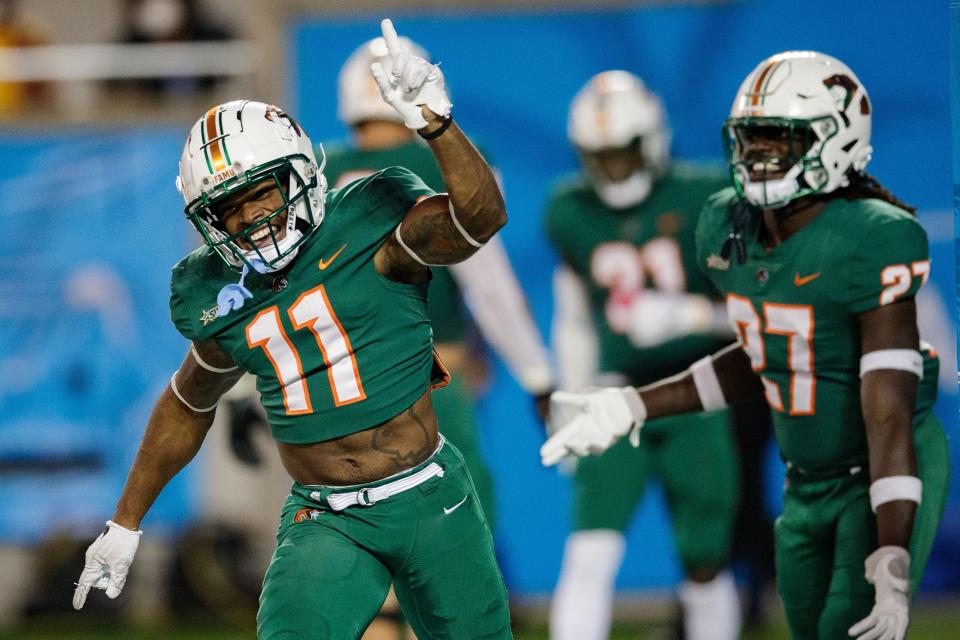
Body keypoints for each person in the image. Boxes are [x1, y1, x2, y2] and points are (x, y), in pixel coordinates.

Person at [72, 19, 513, 640]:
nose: (252, 218)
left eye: (262, 193)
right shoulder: (220, 292)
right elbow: (185, 401)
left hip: (427, 497)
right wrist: (125, 521)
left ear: (300, 172)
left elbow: (480, 220)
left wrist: (435, 126)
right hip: (326, 517)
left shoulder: (370, 221)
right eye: (230, 208)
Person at [541, 51, 950, 640]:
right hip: (767, 452)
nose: (758, 155)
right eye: (751, 139)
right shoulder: (721, 218)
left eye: (778, 141)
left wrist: (893, 554)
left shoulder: (864, 236)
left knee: (805, 601)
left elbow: (877, 401)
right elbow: (763, 348)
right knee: (801, 618)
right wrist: (614, 401)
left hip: (851, 447)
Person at [324, 33, 554, 529]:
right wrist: (538, 375)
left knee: (360, 526)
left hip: (334, 388)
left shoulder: (317, 174)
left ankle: (384, 608)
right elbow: (489, 286)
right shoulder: (436, 166)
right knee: (459, 521)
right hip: (428, 376)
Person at [545, 70, 741, 640]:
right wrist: (572, 394)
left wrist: (694, 315)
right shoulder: (571, 209)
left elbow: (764, 314)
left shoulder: (705, 195)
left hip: (697, 389)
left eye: (622, 152)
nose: (611, 167)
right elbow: (576, 317)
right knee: (589, 550)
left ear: (651, 141)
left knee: (706, 559)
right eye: (598, 155)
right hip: (615, 392)